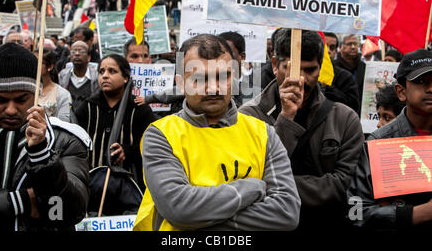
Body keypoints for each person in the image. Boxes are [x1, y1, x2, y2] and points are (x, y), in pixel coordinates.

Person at [133, 34, 301, 231]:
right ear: (180, 83)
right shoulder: (160, 135)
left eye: (223, 76)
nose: (213, 88)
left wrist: (203, 219)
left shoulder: (263, 133)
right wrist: (251, 188)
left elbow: (286, 212)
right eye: (199, 78)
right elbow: (180, 209)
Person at [239, 29, 364, 232]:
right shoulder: (248, 116)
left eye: (310, 70)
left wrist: (274, 187)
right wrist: (286, 119)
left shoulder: (344, 118)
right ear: (274, 65)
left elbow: (345, 185)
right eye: (291, 68)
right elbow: (247, 180)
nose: (301, 80)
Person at [0, 43, 90, 231]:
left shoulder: (64, 139)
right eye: (1, 99)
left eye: (21, 99)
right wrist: (30, 202)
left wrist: (41, 155)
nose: (10, 109)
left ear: (36, 94)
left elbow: (69, 212)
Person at [347, 49, 432, 231]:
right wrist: (418, 213)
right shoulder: (378, 143)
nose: (431, 88)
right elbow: (355, 212)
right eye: (421, 82)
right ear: (401, 91)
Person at [74, 54, 156, 191]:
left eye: (112, 71)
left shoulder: (140, 110)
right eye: (101, 71)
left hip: (129, 188)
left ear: (125, 78)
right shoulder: (87, 108)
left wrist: (128, 152)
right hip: (91, 186)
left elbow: (152, 146)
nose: (105, 76)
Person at [322, 32, 360, 114]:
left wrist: (328, 87)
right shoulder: (306, 71)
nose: (328, 51)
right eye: (324, 46)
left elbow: (353, 105)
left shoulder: (345, 77)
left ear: (336, 50)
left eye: (332, 47)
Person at [58, 41, 99, 112]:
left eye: (82, 51)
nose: (77, 54)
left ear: (89, 57)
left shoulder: (96, 77)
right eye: (73, 52)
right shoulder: (62, 75)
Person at [35, 49, 72, 122]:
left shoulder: (63, 94)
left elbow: (64, 122)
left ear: (50, 67)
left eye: (38, 63)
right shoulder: (28, 91)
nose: (33, 66)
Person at [334, 34, 366, 115]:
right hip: (338, 113)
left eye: (355, 44)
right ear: (341, 47)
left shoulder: (364, 67)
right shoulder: (333, 67)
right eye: (349, 44)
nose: (353, 47)